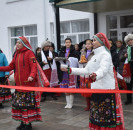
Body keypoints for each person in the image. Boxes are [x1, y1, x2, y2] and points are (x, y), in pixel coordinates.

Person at [61, 33, 125, 129]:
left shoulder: (105, 55)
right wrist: (70, 70)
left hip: (106, 90)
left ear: (101, 42)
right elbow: (86, 70)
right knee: (97, 116)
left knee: (105, 118)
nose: (92, 42)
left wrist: (96, 75)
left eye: (94, 40)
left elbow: (103, 69)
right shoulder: (94, 55)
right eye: (93, 40)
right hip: (96, 89)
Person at [0, 37, 48, 130]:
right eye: (16, 43)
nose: (17, 44)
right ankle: (22, 122)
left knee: (27, 106)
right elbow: (10, 67)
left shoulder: (29, 53)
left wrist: (32, 76)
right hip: (18, 86)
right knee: (19, 105)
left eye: (19, 43)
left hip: (27, 85)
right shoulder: (16, 55)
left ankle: (28, 124)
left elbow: (34, 67)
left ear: (24, 44)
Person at [59, 38, 79, 109]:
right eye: (66, 42)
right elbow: (59, 58)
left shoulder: (74, 51)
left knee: (71, 87)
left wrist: (70, 59)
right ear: (65, 43)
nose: (67, 43)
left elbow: (77, 60)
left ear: (71, 43)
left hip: (71, 71)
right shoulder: (62, 50)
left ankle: (71, 104)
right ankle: (67, 103)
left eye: (69, 42)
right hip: (64, 71)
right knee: (65, 88)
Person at [79, 39, 93, 111]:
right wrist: (81, 62)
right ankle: (88, 105)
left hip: (91, 73)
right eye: (86, 44)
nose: (87, 45)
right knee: (86, 90)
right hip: (84, 72)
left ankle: (92, 105)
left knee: (92, 90)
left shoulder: (94, 52)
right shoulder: (83, 51)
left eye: (89, 44)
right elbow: (81, 60)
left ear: (92, 44)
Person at [124, 34, 133, 105]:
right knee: (128, 84)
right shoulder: (126, 49)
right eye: (128, 41)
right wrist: (124, 56)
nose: (130, 42)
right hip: (129, 67)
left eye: (131, 40)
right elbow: (120, 59)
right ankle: (129, 99)